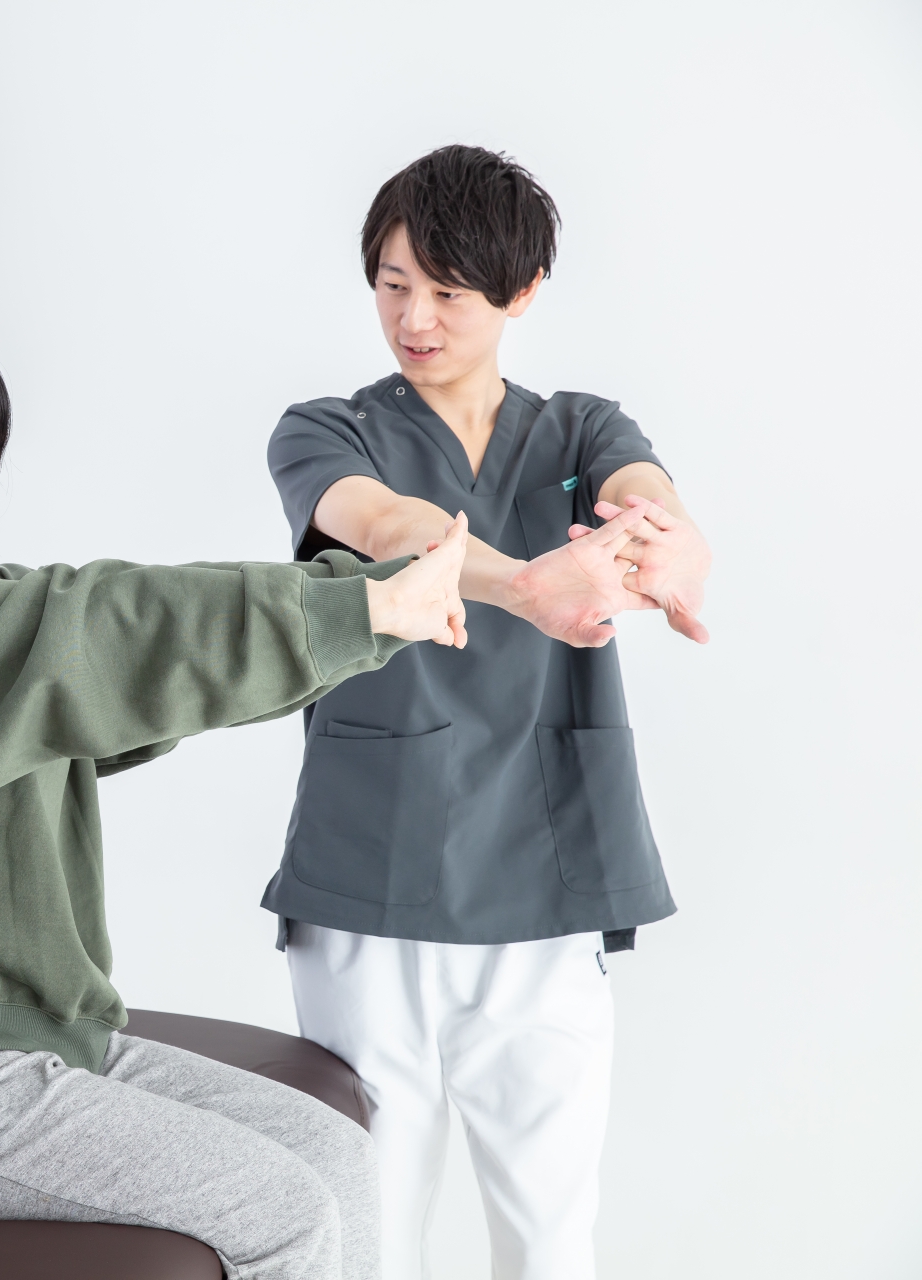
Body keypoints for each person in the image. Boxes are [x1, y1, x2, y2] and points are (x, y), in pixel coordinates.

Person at [0, 308, 587, 1280]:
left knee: (337, 1153)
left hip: (31, 1040)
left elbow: (141, 663)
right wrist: (359, 606)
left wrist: (361, 611)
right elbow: (104, 629)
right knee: (283, 1211)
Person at [261, 145, 714, 1280]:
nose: (412, 318)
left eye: (448, 292)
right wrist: (523, 584)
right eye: (392, 283)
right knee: (370, 1233)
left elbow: (641, 491)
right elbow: (385, 522)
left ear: (523, 292)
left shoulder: (580, 431)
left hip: (546, 880)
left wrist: (670, 540)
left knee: (552, 1237)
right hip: (373, 880)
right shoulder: (326, 430)